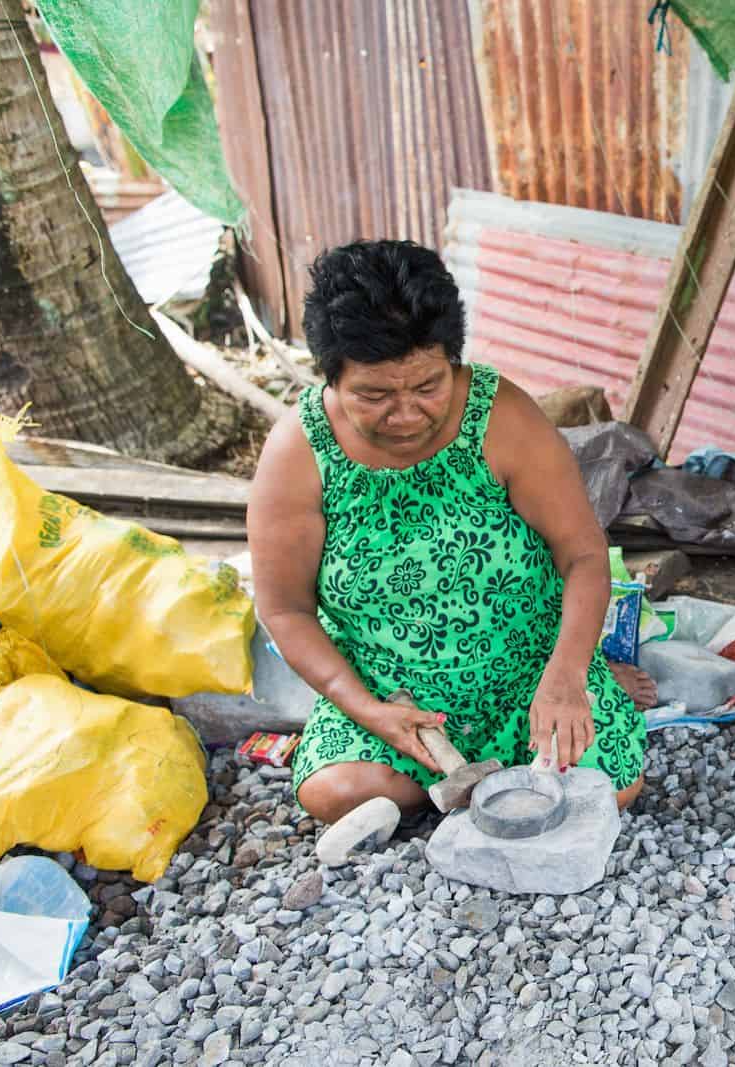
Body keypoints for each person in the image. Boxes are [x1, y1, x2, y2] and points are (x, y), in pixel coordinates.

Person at [247, 240, 645, 823]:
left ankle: (580, 692)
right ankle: (455, 782)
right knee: (334, 794)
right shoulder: (298, 452)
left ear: (452, 361)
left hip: (528, 680)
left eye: (428, 387)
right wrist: (366, 709)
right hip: (394, 698)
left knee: (611, 791)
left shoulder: (501, 417)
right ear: (330, 377)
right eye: (375, 395)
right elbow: (285, 612)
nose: (406, 415)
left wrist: (565, 676)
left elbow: (583, 556)